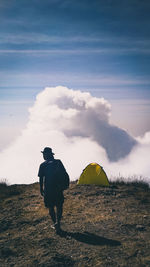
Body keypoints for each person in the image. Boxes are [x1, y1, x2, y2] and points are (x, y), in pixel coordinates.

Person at [38, 147, 69, 233]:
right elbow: (64, 173)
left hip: (48, 189)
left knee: (50, 207)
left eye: (44, 154)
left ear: (46, 155)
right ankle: (58, 223)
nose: (43, 156)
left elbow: (41, 178)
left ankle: (55, 223)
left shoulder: (43, 165)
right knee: (59, 206)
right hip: (58, 188)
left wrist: (41, 189)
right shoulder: (58, 162)